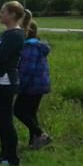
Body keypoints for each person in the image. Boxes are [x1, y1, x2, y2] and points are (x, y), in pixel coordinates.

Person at [0, 1, 29, 166]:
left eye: (3, 12)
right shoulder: (3, 34)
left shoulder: (16, 35)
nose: (0, 14)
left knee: (5, 119)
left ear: (13, 15)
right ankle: (3, 153)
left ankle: (11, 157)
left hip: (6, 80)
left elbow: (0, 57)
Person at [14, 20, 52, 150]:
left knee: (18, 110)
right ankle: (34, 142)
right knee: (31, 112)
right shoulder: (38, 45)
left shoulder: (29, 47)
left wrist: (19, 87)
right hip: (41, 84)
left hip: (32, 85)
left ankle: (41, 135)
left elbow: (27, 70)